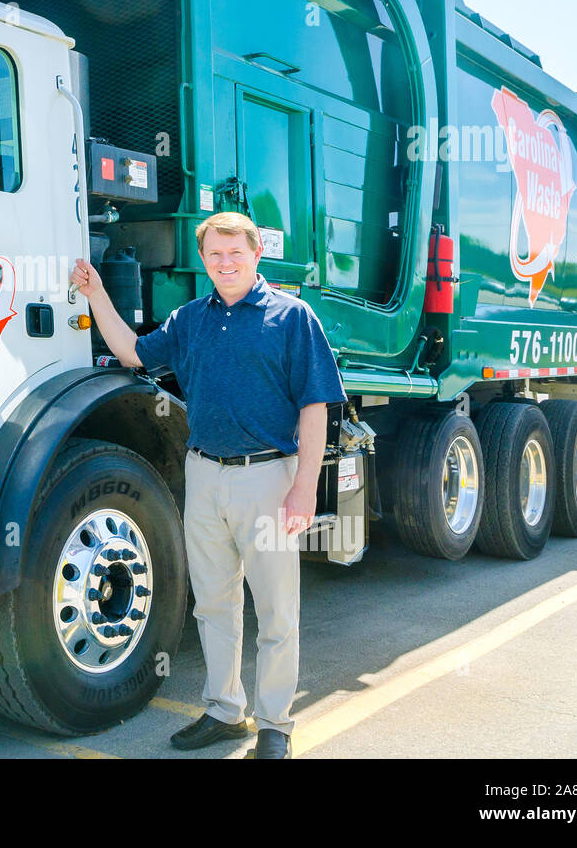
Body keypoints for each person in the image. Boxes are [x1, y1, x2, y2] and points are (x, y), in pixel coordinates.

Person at [70, 211, 345, 759]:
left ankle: (275, 724)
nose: (225, 263)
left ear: (256, 253)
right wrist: (96, 292)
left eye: (235, 252)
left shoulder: (292, 318)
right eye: (215, 254)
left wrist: (304, 488)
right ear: (203, 259)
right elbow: (131, 351)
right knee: (214, 606)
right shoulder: (192, 319)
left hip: (268, 479)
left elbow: (317, 407)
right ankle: (224, 711)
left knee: (275, 609)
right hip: (204, 475)